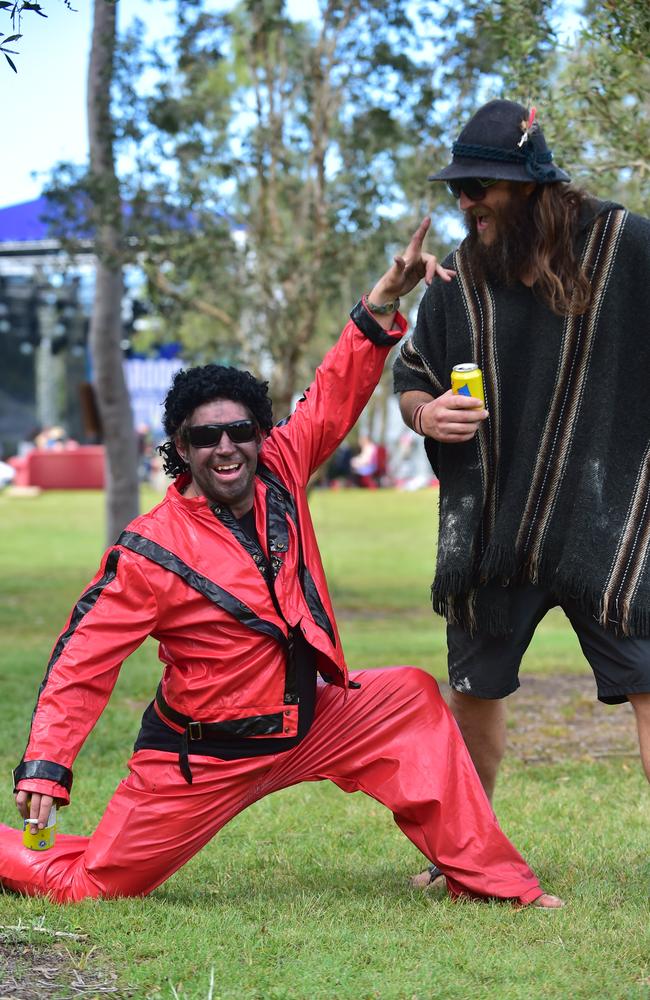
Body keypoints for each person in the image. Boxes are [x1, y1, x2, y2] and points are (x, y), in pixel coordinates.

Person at [1, 221, 561, 908]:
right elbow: (83, 659)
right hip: (204, 756)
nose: (226, 448)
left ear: (263, 437)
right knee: (91, 885)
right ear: (181, 449)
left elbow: (333, 391)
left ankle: (494, 885)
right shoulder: (150, 549)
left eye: (241, 431)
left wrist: (384, 298)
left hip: (312, 718)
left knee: (409, 698)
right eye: (205, 438)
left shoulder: (282, 471)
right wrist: (46, 767)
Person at [393, 101, 650, 885]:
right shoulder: (457, 279)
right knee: (475, 688)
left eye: (480, 186)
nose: (465, 201)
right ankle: (465, 854)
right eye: (459, 187)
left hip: (607, 522)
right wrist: (427, 414)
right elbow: (410, 380)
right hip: (491, 522)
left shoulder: (627, 247)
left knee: (648, 677)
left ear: (534, 185)